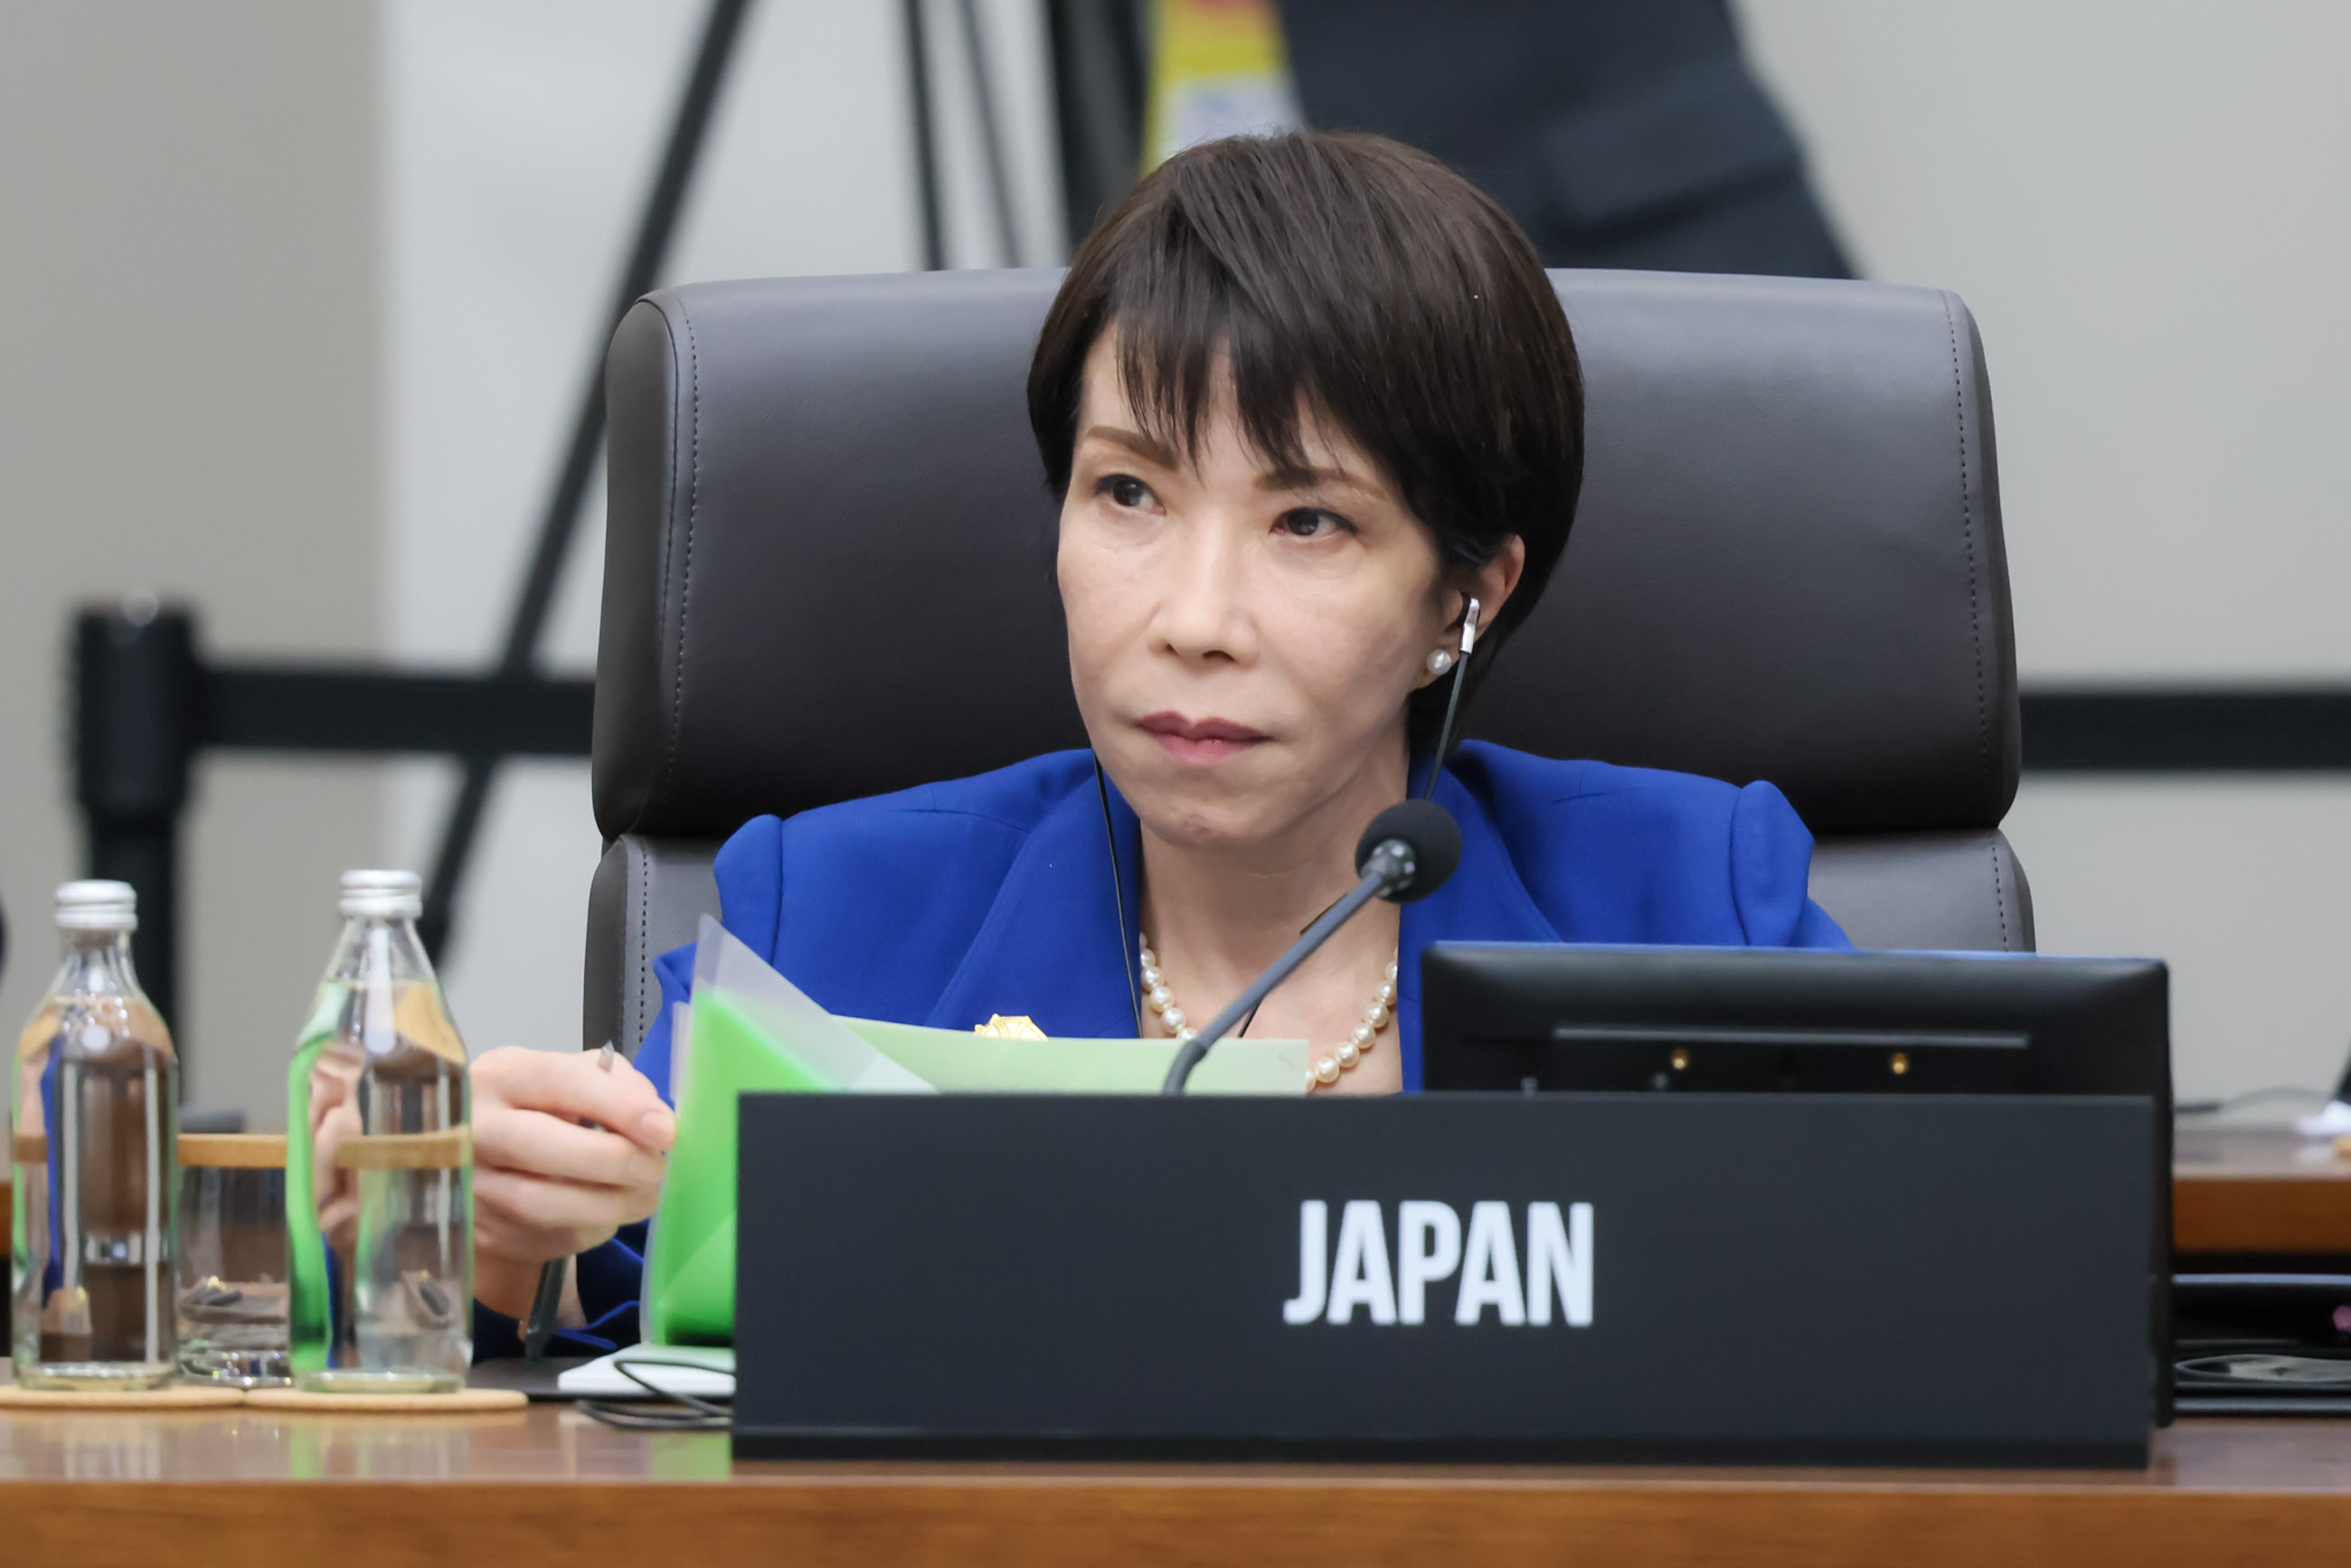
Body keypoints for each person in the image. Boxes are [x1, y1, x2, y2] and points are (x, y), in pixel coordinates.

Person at [465, 130, 1849, 1356]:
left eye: (1309, 520)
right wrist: (493, 1236)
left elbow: (1946, 1267)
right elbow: (605, 1306)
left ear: (1463, 600)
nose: (1193, 620)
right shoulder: (829, 916)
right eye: (1127, 490)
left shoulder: (1696, 900)